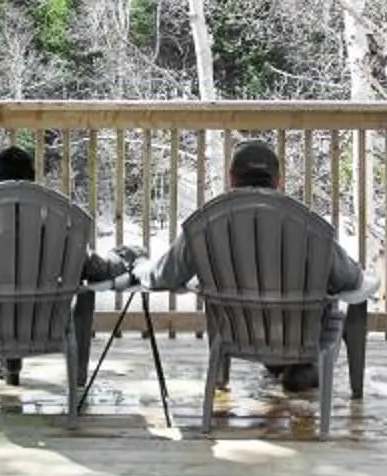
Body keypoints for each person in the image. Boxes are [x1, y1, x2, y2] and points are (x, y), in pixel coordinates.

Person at [144, 139, 366, 393]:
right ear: (278, 179)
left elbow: (166, 275)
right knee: (324, 293)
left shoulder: (206, 224)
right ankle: (301, 362)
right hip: (299, 333)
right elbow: (349, 279)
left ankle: (275, 361)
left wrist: (141, 270)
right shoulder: (305, 225)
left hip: (238, 332)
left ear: (231, 178)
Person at [0, 144, 125, 381]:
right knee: (79, 290)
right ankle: (77, 374)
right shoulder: (56, 236)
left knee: (7, 297)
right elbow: (95, 270)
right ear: (31, 186)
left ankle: (6, 362)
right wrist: (125, 257)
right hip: (45, 326)